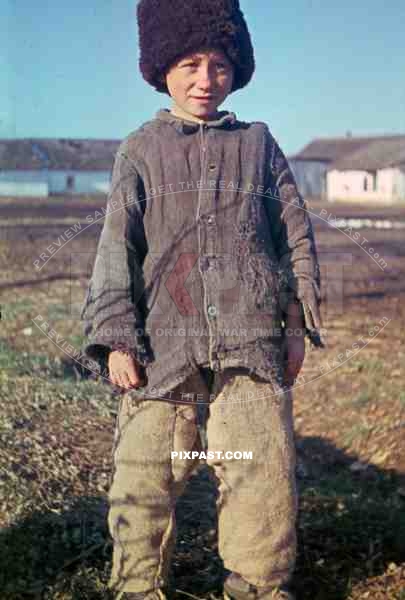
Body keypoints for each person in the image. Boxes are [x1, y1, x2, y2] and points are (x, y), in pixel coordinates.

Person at [80, 1, 325, 598]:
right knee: (145, 473)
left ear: (236, 69)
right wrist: (117, 336)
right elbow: (118, 247)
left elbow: (294, 234)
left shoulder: (259, 145)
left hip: (252, 341)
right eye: (190, 63)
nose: (205, 79)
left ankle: (257, 584)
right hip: (165, 348)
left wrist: (294, 326)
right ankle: (138, 585)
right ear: (162, 66)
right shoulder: (140, 150)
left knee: (258, 468)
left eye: (219, 64)